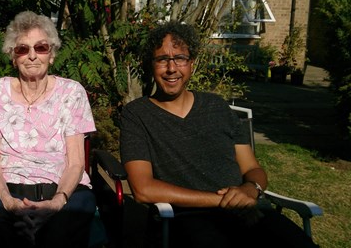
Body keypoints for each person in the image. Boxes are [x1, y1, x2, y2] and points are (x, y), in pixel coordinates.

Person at [119, 21, 319, 248]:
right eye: (162, 59)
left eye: (180, 58)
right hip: (188, 220)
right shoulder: (137, 115)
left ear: (191, 63)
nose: (172, 68)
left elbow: (253, 169)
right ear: (151, 65)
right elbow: (143, 189)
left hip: (251, 213)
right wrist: (225, 201)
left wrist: (249, 189)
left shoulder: (218, 107)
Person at [0, 11, 97, 248]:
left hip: (62, 189)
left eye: (40, 47)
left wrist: (57, 203)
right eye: (22, 49)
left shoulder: (72, 93)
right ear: (12, 57)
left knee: (62, 229)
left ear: (52, 55)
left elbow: (75, 163)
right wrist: (7, 201)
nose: (31, 56)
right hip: (5, 189)